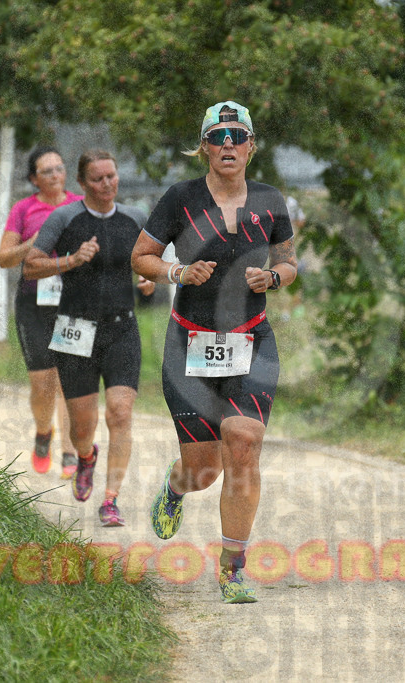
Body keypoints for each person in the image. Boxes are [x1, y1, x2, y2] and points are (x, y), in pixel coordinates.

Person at [131, 100, 298, 604]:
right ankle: (177, 487)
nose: (229, 144)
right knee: (205, 469)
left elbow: (289, 264)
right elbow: (140, 256)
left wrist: (271, 277)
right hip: (190, 344)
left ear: (251, 146)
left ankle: (233, 567)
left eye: (238, 136)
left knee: (242, 443)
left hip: (251, 338)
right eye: (218, 136)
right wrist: (177, 272)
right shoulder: (180, 198)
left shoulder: (270, 200)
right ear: (203, 147)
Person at [23, 150, 155, 527]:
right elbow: (31, 264)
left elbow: (153, 262)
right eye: (98, 179)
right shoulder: (65, 218)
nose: (108, 184)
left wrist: (149, 278)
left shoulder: (135, 218)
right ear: (81, 184)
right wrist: (71, 260)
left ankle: (110, 499)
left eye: (112, 176)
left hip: (121, 329)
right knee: (82, 427)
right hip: (74, 329)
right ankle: (85, 457)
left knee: (120, 412)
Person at [0, 147, 82, 478]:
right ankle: (43, 431)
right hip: (33, 304)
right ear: (34, 178)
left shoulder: (79, 205)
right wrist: (29, 244)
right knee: (42, 384)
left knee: (69, 380)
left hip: (73, 302)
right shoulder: (24, 209)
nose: (55, 175)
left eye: (59, 168)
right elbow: (3, 258)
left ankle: (70, 452)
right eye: (47, 171)